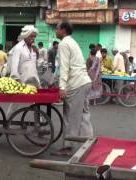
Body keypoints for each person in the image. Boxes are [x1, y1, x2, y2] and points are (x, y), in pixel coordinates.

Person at [52, 19, 92, 156]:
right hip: (85, 82)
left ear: (63, 30)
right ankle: (89, 145)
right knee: (84, 116)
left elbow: (64, 67)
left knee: (71, 117)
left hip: (76, 83)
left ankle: (68, 147)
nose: (55, 31)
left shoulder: (64, 44)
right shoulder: (72, 42)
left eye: (57, 28)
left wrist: (62, 87)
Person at [6, 25, 40, 120]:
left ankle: (39, 123)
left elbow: (33, 65)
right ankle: (7, 120)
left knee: (36, 102)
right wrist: (16, 79)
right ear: (25, 36)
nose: (33, 39)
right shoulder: (18, 48)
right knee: (15, 103)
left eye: (34, 37)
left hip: (34, 80)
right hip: (22, 80)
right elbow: (14, 66)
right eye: (31, 36)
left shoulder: (34, 49)